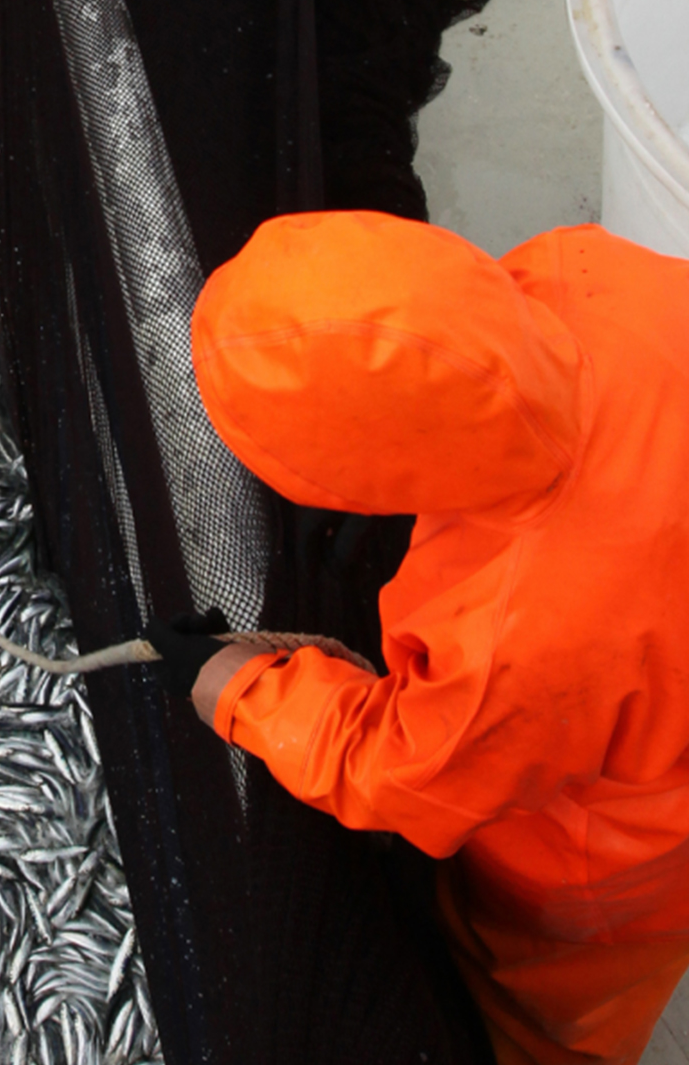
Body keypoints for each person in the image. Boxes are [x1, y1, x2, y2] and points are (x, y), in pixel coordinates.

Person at [148, 211, 689, 1065]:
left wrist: (237, 689)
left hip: (614, 867)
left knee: (547, 1012)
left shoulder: (520, 635)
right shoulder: (589, 270)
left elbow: (408, 772)